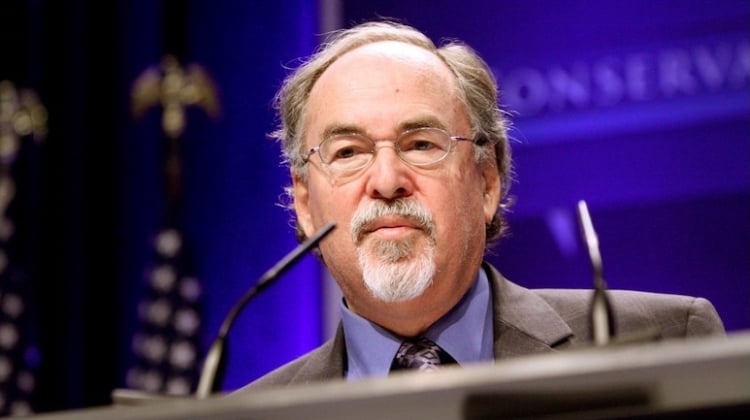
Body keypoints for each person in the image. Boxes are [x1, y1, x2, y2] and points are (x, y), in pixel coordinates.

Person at [237, 19, 725, 390]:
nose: (387, 181)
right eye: (348, 153)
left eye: (421, 144)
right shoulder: (250, 414)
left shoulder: (669, 339)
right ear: (305, 203)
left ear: (487, 181)